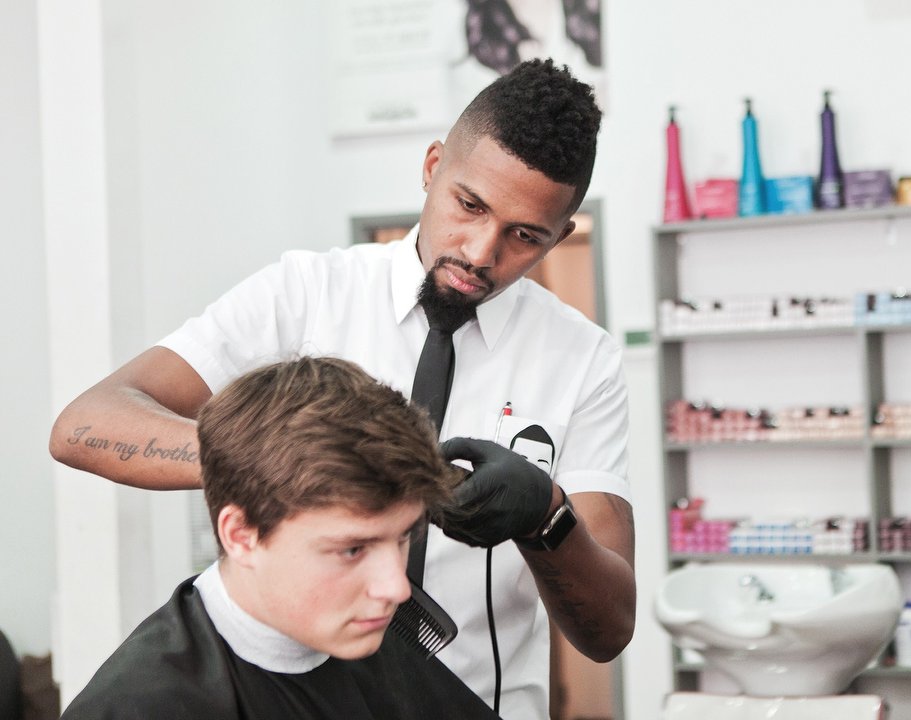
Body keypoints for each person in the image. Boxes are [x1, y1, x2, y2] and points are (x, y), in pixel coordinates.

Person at [50, 57, 635, 720]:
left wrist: (546, 519)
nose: (479, 251)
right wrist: (289, 469)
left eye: (524, 236)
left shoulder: (583, 360)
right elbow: (85, 425)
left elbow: (609, 631)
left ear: (559, 235)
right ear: (432, 164)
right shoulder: (304, 295)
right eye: (468, 206)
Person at [61, 357, 500, 719]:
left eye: (403, 537)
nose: (397, 588)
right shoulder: (142, 707)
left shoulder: (366, 637)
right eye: (352, 549)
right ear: (241, 535)